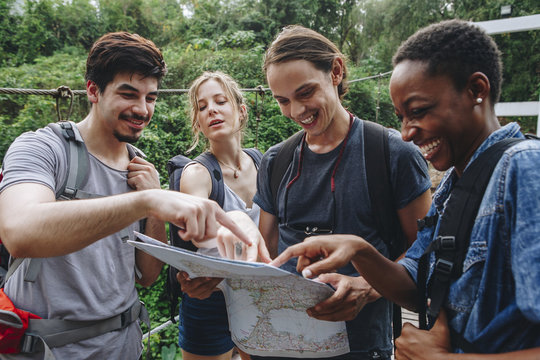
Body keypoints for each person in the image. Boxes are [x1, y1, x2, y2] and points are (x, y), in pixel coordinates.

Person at [271, 20, 540, 359]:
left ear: (476, 90)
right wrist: (360, 250)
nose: (408, 133)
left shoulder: (525, 168)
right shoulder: (454, 188)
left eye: (419, 112)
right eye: (401, 117)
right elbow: (417, 286)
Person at [0, 32, 249, 359]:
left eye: (151, 98)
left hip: (123, 345)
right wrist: (148, 201)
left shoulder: (141, 168)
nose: (142, 109)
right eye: (128, 94)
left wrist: (152, 206)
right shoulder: (42, 147)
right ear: (93, 90)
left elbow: (146, 276)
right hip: (48, 348)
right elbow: (20, 232)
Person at [243, 25, 432, 360]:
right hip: (282, 344)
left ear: (336, 71)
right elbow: (264, 256)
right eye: (282, 101)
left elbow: (425, 248)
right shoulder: (276, 160)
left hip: (360, 345)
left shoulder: (392, 154)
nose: (296, 112)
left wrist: (369, 286)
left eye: (305, 93)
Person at [175, 71, 270, 360]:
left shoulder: (263, 163)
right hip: (210, 297)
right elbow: (198, 226)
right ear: (199, 123)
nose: (211, 110)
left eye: (220, 101)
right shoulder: (197, 174)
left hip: (258, 296)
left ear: (241, 111)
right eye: (202, 107)